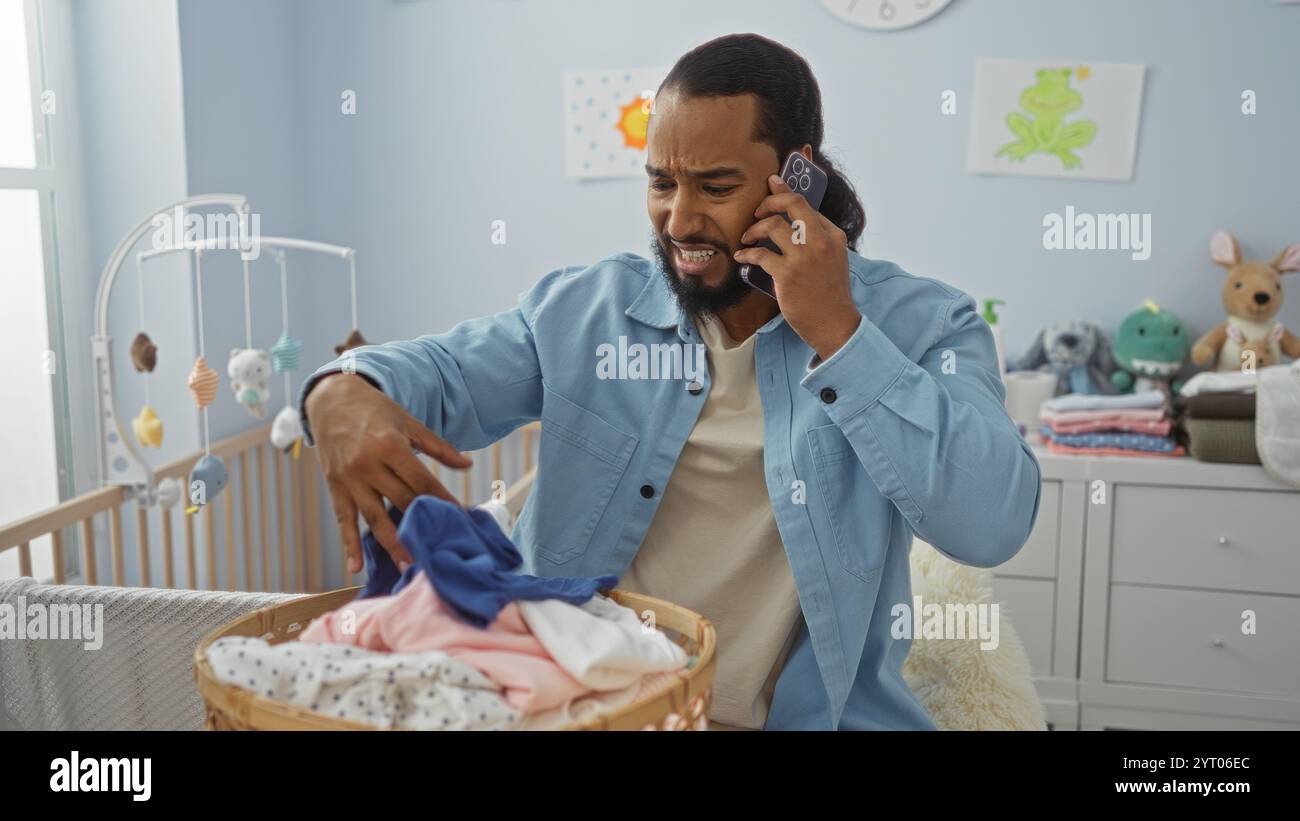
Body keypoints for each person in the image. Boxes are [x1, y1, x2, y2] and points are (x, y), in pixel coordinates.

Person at [300, 33, 1041, 730]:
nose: (678, 220)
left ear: (799, 177)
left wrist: (840, 333)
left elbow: (991, 520)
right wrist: (339, 389)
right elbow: (444, 372)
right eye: (661, 182)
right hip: (584, 706)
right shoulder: (584, 311)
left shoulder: (923, 323)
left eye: (715, 186)